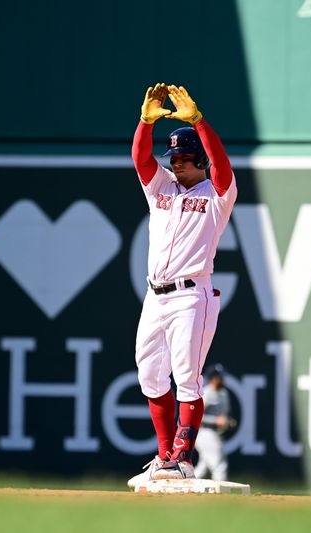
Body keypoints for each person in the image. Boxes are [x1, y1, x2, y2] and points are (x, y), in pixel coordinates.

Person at [127, 83, 237, 486]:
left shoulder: (217, 194)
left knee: (187, 377)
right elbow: (140, 159)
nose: (176, 166)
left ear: (200, 160)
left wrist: (198, 122)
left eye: (185, 159)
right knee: (150, 375)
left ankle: (183, 458)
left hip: (193, 294)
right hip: (154, 295)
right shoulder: (162, 189)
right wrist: (145, 123)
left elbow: (223, 167)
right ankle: (164, 455)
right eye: (173, 159)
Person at [194, 364, 234, 481]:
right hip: (204, 433)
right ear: (212, 378)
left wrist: (227, 422)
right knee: (219, 465)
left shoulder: (223, 393)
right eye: (219, 377)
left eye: (222, 377)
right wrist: (215, 421)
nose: (222, 379)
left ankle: (183, 487)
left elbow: (224, 416)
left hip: (216, 434)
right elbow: (196, 416)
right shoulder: (206, 393)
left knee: (202, 468)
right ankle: (221, 495)